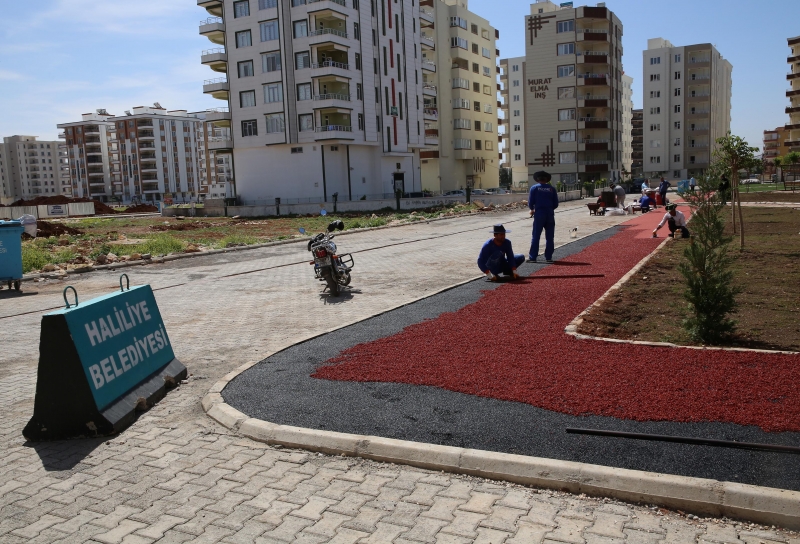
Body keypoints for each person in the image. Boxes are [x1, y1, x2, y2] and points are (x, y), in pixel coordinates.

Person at [527, 170, 559, 263]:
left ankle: (533, 257)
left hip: (539, 214)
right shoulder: (552, 189)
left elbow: (530, 202)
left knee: (536, 236)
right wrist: (549, 209)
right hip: (549, 214)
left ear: (537, 179)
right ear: (547, 179)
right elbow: (556, 203)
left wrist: (532, 209)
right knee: (549, 237)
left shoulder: (534, 188)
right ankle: (548, 257)